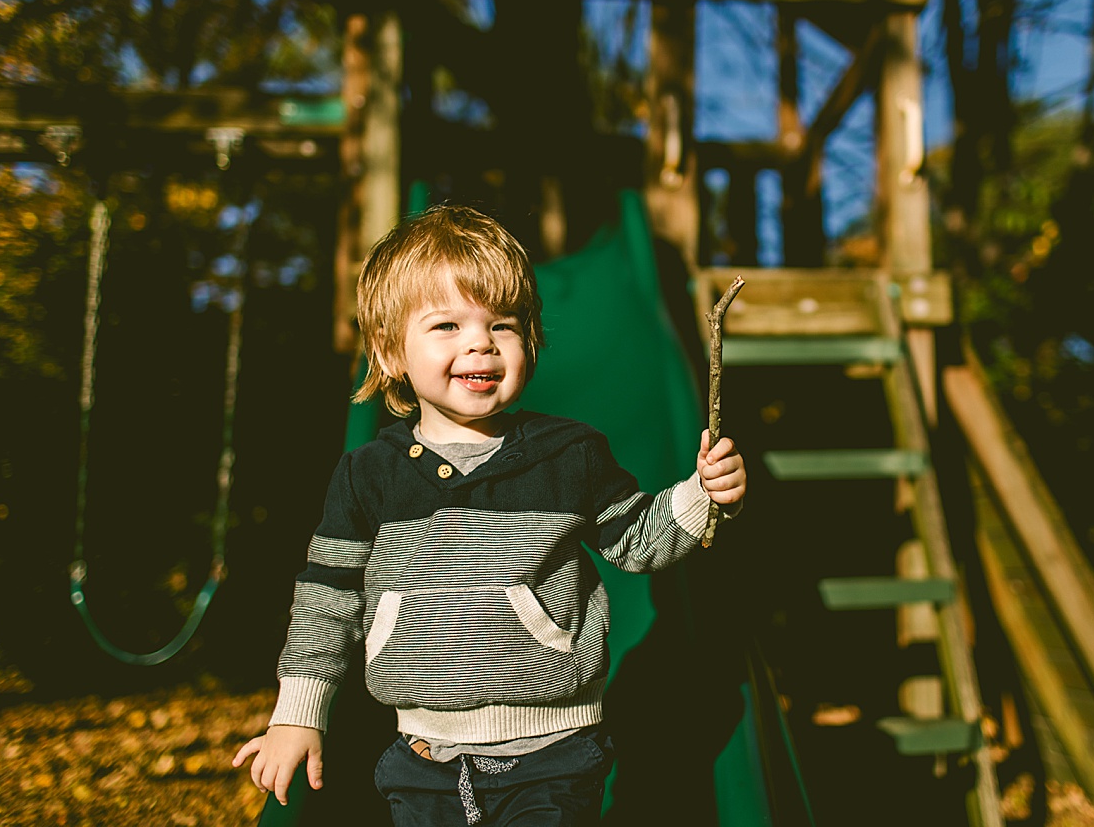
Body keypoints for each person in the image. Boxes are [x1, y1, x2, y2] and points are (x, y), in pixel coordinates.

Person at [232, 204, 746, 826]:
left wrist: (700, 494)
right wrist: (297, 715)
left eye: (502, 325)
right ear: (391, 350)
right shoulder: (368, 476)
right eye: (446, 325)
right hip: (419, 755)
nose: (480, 341)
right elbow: (326, 597)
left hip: (554, 752)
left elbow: (636, 540)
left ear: (529, 342)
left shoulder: (569, 456)